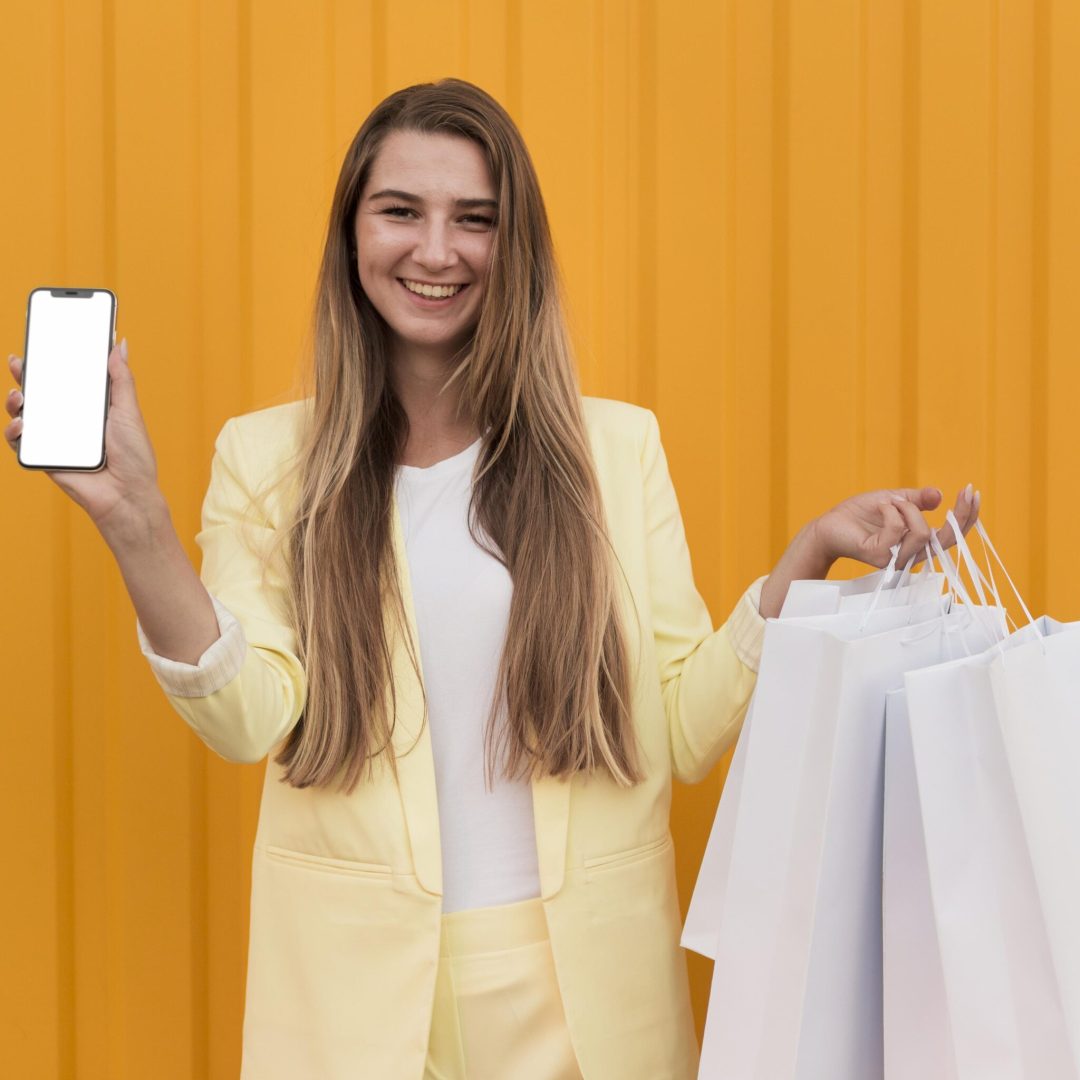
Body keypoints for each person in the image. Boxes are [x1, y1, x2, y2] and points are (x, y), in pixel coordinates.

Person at [5, 78, 979, 1080]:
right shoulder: (265, 461)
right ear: (349, 236)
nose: (437, 251)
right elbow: (247, 716)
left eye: (476, 220)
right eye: (400, 212)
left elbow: (682, 729)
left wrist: (807, 557)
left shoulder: (615, 448)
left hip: (582, 999)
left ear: (515, 249)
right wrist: (137, 522)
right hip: (356, 1007)